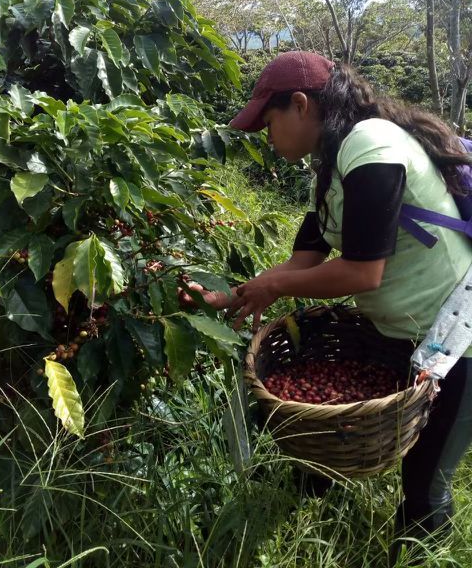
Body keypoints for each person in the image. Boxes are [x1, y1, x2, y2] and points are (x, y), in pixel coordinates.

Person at [194, 50, 472, 560]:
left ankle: (418, 556)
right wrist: (230, 296)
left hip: (457, 337)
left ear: (300, 104)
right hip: (402, 332)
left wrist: (275, 290)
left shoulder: (371, 143)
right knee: (329, 441)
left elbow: (363, 272)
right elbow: (303, 260)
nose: (266, 136)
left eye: (269, 121)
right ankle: (297, 538)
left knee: (425, 484)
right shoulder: (334, 167)